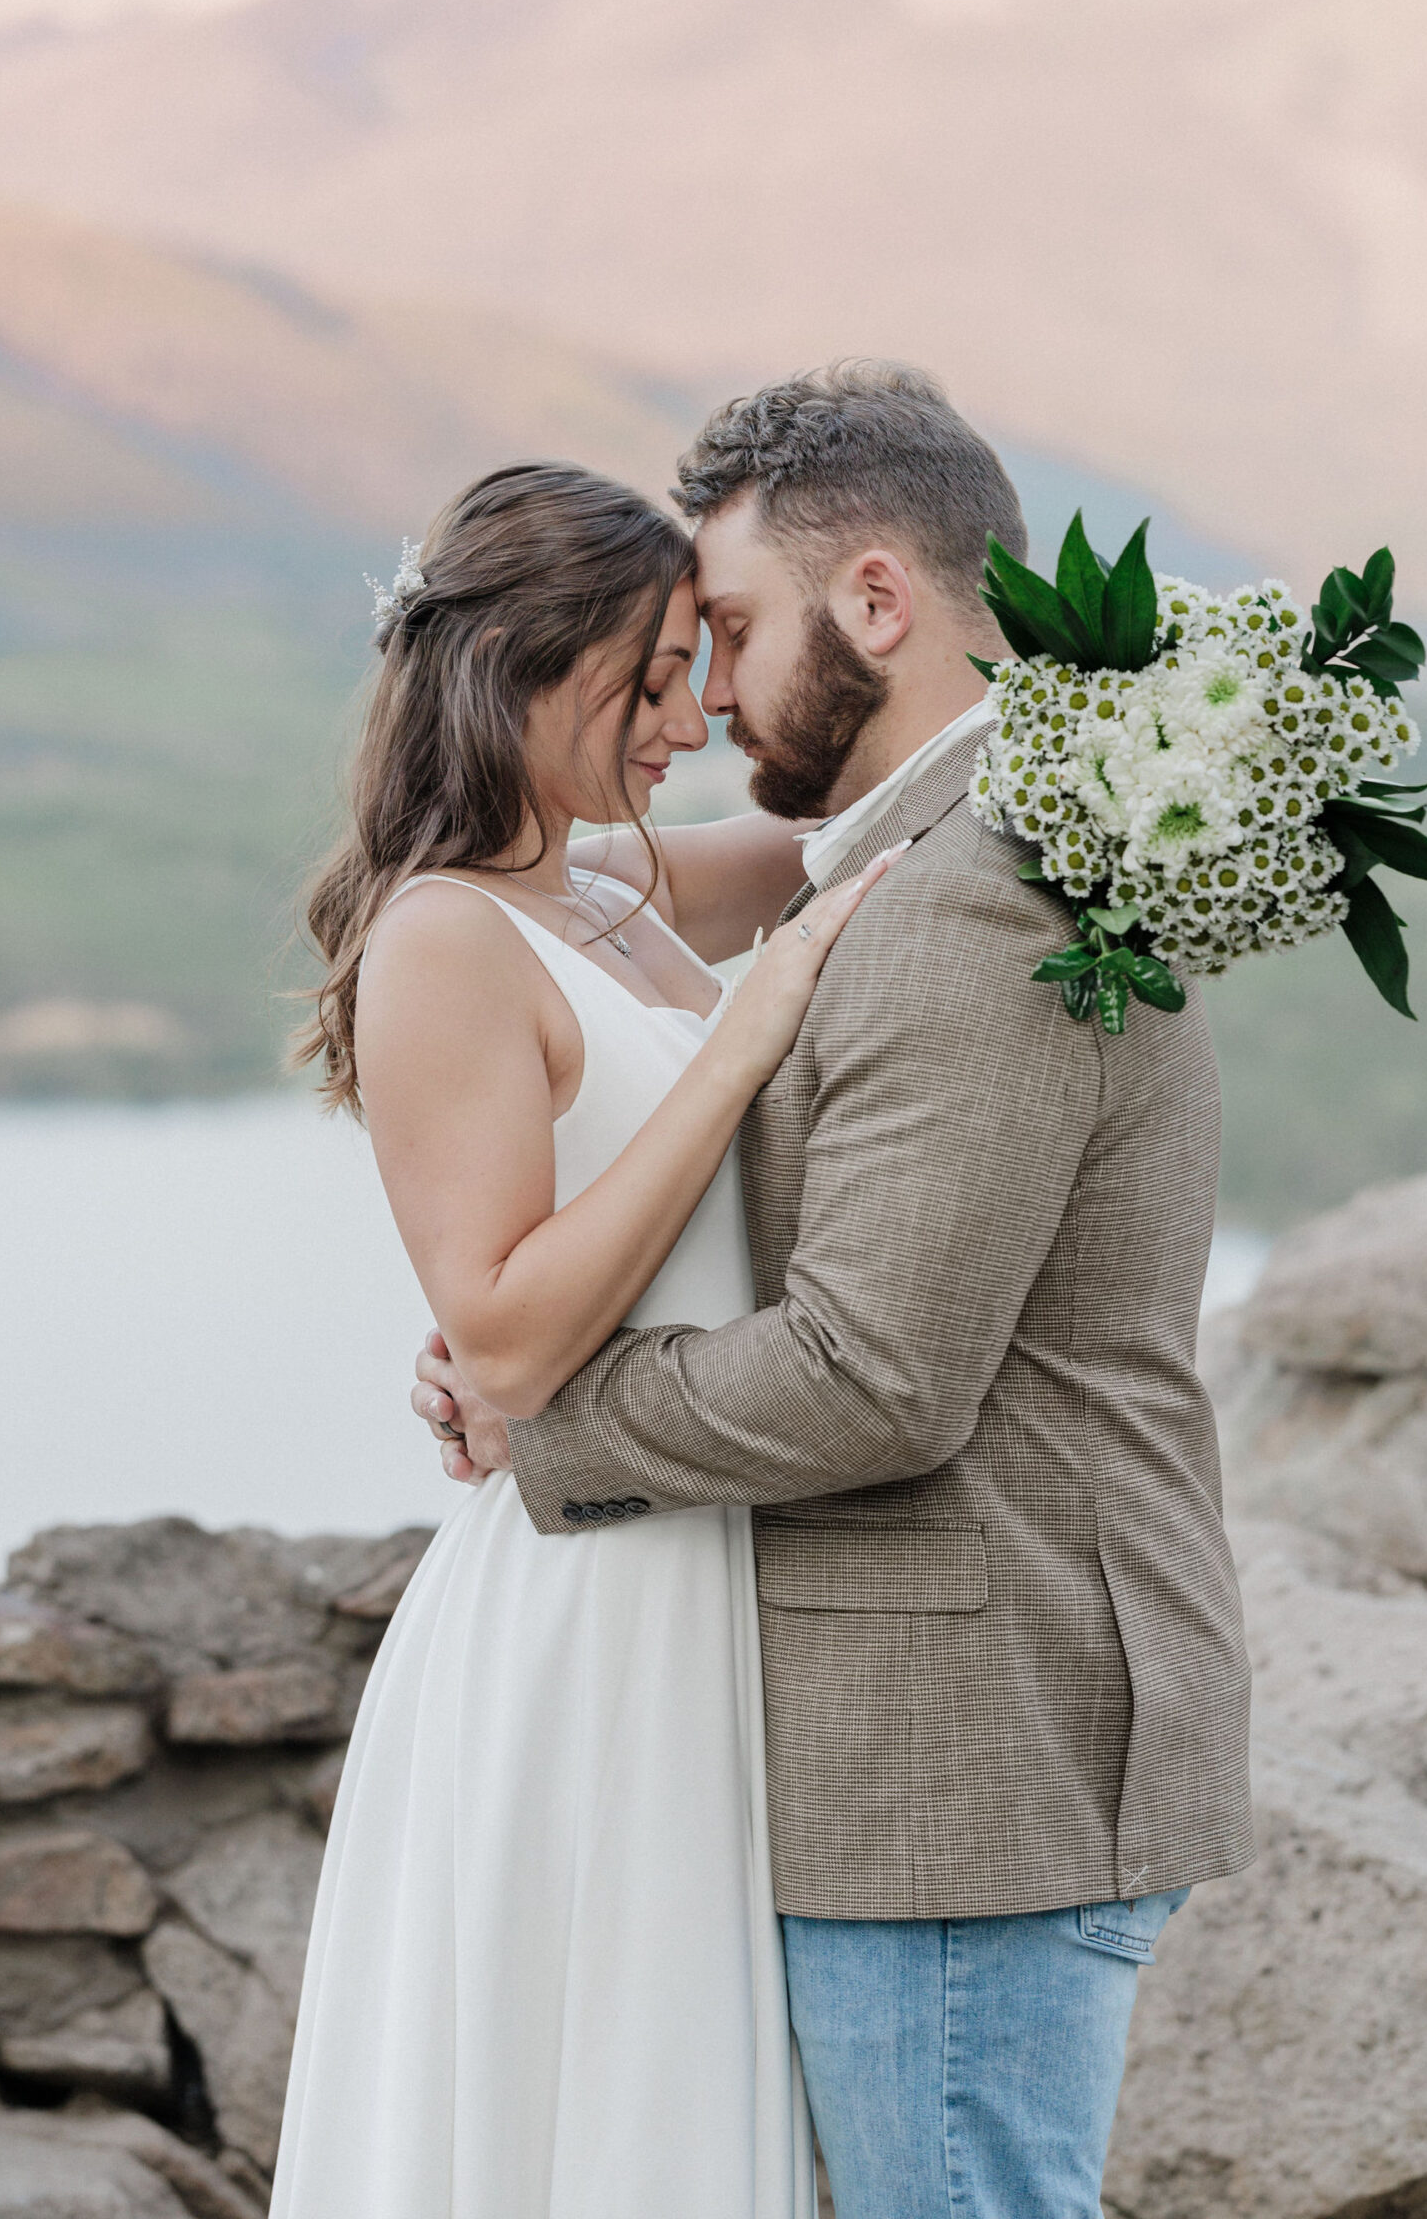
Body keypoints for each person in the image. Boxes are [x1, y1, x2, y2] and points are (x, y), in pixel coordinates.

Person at [414, 364, 1254, 2219]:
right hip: (952, 1741)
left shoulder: (978, 895)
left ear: (876, 603)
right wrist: (536, 1307)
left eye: (726, 631)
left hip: (965, 1759)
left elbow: (878, 1377)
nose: (704, 696)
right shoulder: (945, 851)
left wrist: (549, 1412)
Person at [272, 458, 899, 2219]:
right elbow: (510, 1343)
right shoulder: (441, 941)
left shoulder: (605, 890)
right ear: (527, 669)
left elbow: (866, 826)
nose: (693, 715)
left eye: (707, 656)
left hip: (716, 1565)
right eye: (653, 672)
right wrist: (749, 1030)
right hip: (588, 1609)